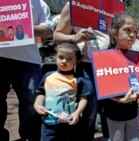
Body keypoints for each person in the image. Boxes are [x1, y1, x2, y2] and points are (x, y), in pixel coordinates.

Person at [53, 3, 110, 141]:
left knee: (109, 111)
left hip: (110, 66)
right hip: (87, 66)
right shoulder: (74, 3)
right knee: (88, 113)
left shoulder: (112, 4)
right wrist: (74, 38)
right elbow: (56, 36)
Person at [0, 0, 54, 140]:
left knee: (31, 103)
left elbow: (48, 30)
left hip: (28, 60)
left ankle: (29, 137)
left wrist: (23, 25)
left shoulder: (40, 4)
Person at [34, 42, 92, 140]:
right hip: (49, 122)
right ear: (55, 57)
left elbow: (84, 98)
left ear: (77, 61)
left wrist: (77, 112)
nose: (64, 61)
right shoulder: (48, 76)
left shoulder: (78, 80)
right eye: (61, 57)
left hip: (70, 122)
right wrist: (37, 105)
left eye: (69, 59)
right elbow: (41, 93)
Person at [104, 13, 139, 141]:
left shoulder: (137, 58)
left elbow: (138, 81)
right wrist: (119, 100)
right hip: (114, 113)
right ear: (114, 33)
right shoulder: (105, 57)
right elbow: (102, 87)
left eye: (134, 31)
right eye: (127, 30)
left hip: (133, 112)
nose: (132, 35)